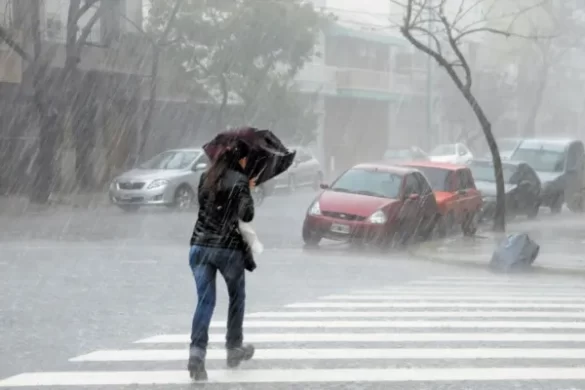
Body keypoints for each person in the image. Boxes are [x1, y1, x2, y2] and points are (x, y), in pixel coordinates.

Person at [188, 139, 256, 381]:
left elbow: (205, 208)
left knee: (205, 302)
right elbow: (246, 214)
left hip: (199, 246)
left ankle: (196, 354)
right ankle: (233, 348)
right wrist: (248, 188)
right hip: (227, 249)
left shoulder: (204, 178)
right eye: (245, 157)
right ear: (239, 158)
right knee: (236, 297)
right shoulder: (239, 180)